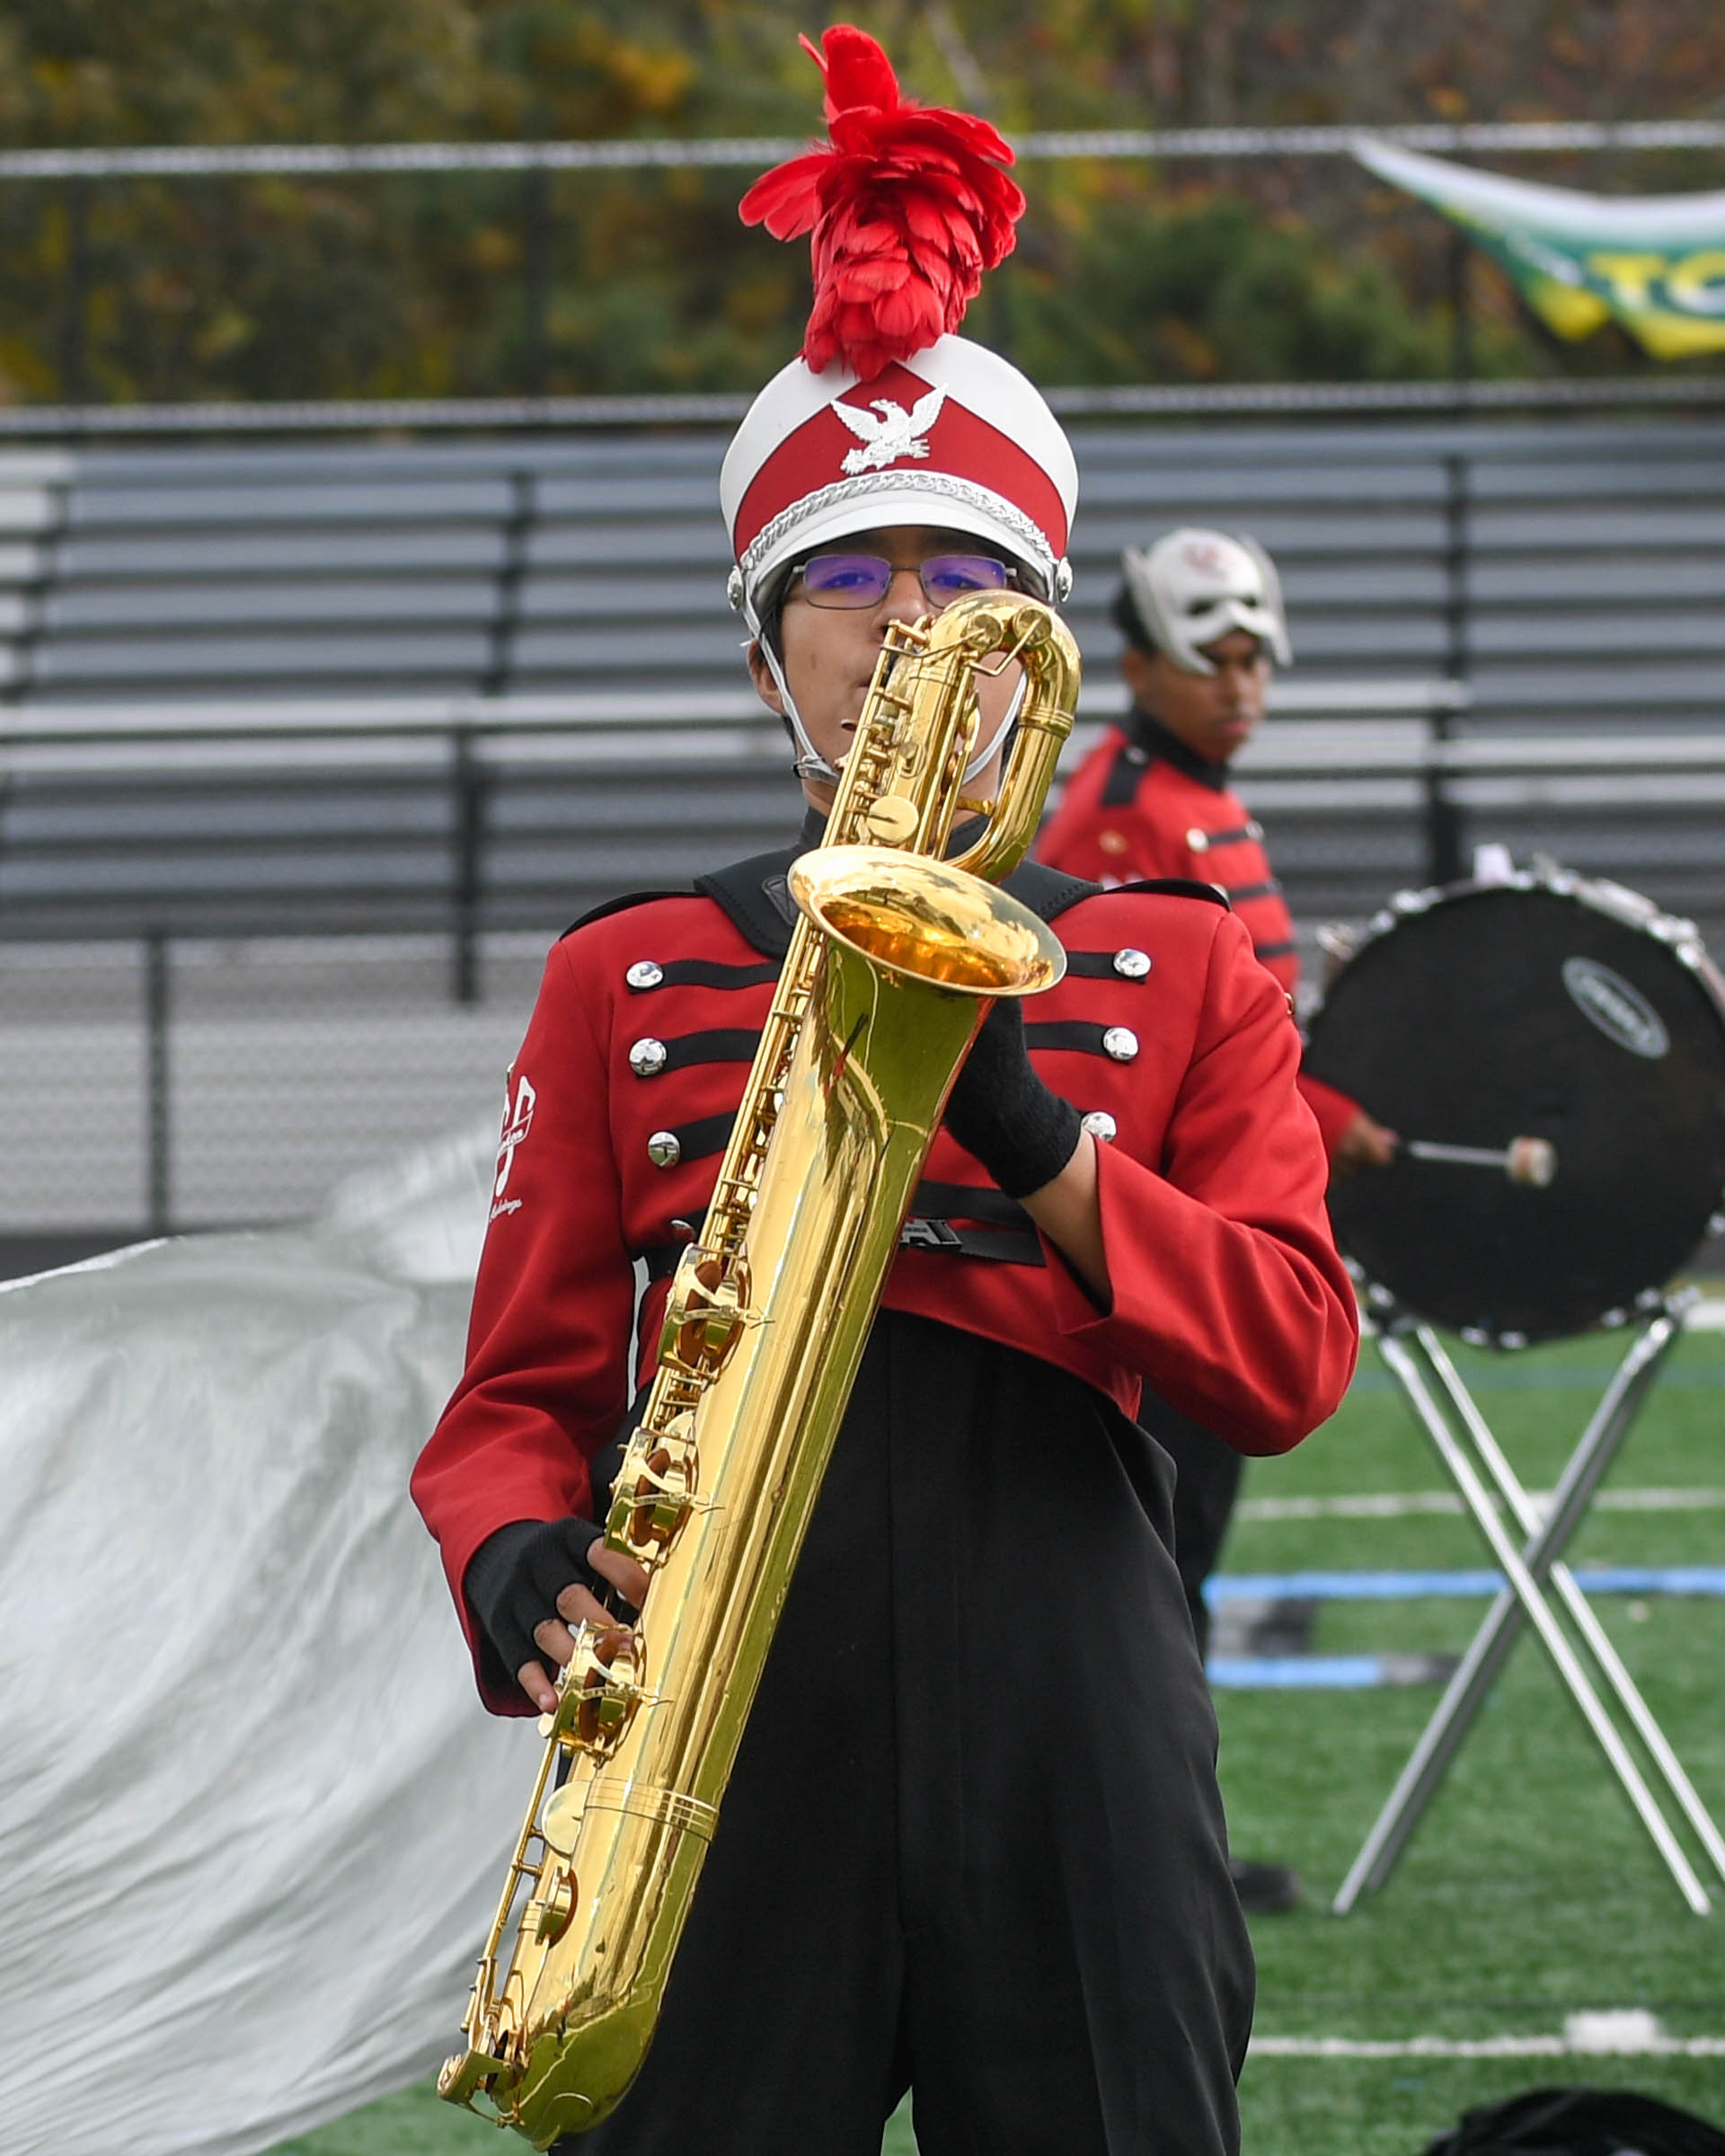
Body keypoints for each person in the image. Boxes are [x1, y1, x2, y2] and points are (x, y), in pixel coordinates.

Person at [412, 29, 1358, 2156]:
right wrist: (513, 1562)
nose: (904, 622)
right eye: (848, 580)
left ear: (1038, 639)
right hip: (728, 1712)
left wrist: (1032, 1143)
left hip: (1074, 1678)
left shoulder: (1175, 965)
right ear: (769, 651)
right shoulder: (625, 974)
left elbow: (1292, 1356)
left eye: (961, 578)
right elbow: (508, 1405)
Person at [1037, 527, 1396, 1912]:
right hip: (1163, 1257)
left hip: (1211, 1244)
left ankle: (1154, 1844)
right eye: (1215, 661)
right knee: (1151, 1574)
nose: (1243, 686)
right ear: (1136, 665)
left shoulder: (1195, 792)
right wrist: (1323, 1109)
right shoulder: (1126, 809)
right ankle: (1140, 1855)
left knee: (1173, 1567)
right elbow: (1135, 1039)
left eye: (1257, 661)